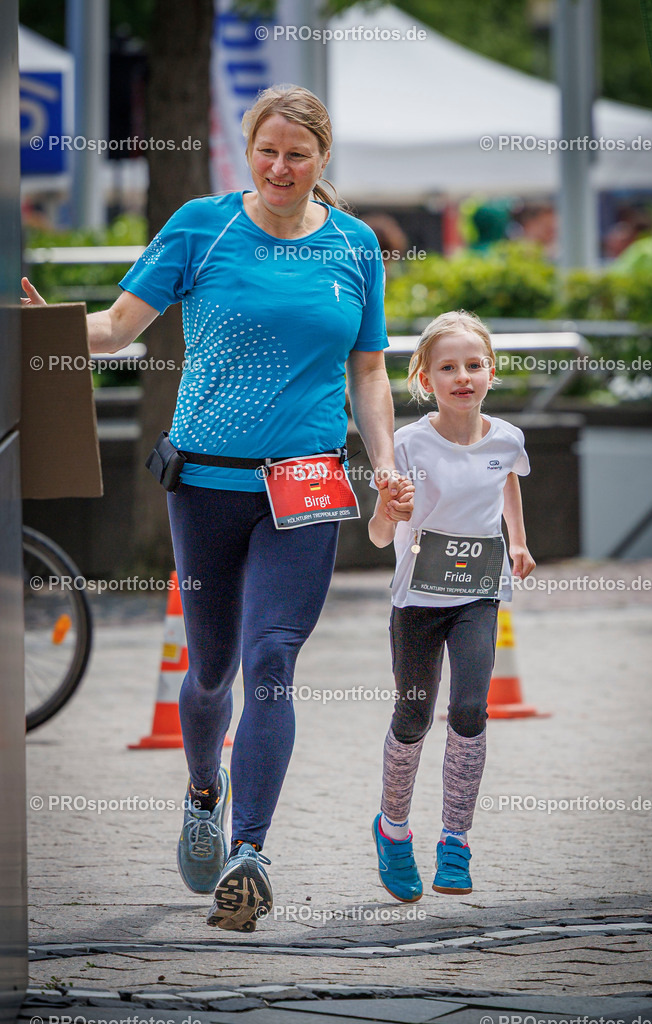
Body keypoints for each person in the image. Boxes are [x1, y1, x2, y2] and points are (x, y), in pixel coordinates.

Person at [22, 84, 413, 934]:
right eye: (267, 151)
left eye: (297, 155)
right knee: (209, 672)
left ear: (322, 159)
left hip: (307, 486)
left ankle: (251, 852)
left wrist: (383, 464)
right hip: (206, 483)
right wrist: (40, 327)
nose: (280, 167)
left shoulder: (352, 247)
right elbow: (117, 330)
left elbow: (371, 370)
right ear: (249, 149)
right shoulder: (202, 225)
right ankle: (204, 790)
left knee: (272, 660)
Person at [367, 310, 535, 902]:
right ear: (424, 379)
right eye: (448, 367)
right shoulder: (408, 445)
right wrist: (390, 510)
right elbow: (378, 538)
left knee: (469, 710)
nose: (463, 376)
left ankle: (456, 841)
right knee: (413, 719)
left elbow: (508, 479)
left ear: (490, 371)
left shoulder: (508, 439)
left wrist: (516, 539)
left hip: (478, 597)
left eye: (474, 365)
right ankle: (392, 830)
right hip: (417, 601)